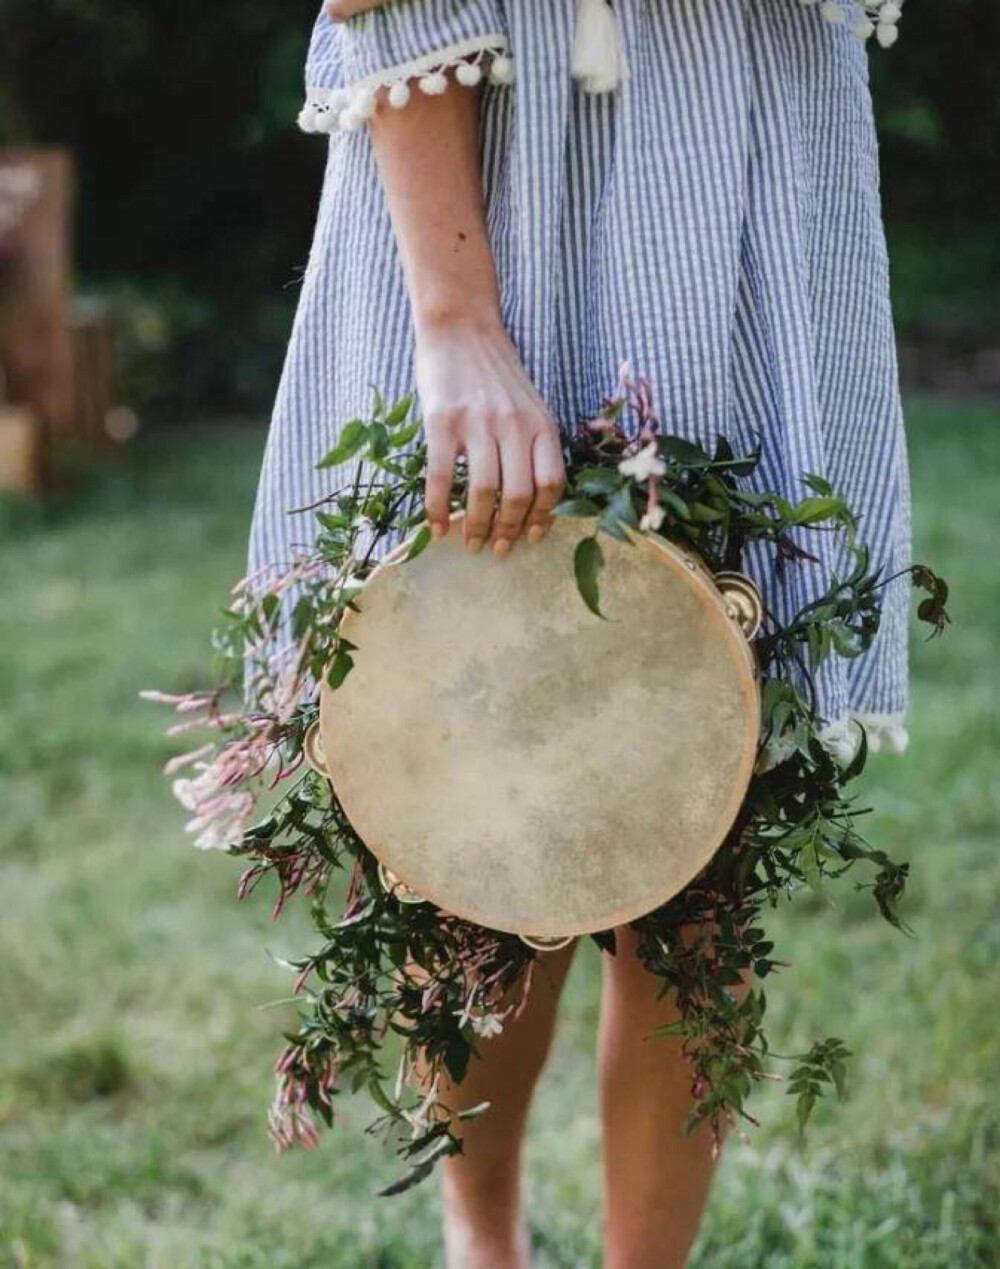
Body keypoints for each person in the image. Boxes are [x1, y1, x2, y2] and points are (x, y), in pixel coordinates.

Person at [248, 2, 912, 1264]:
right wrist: (453, 317)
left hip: (748, 166)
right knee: (478, 822)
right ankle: (481, 1236)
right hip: (503, 165)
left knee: (711, 825)